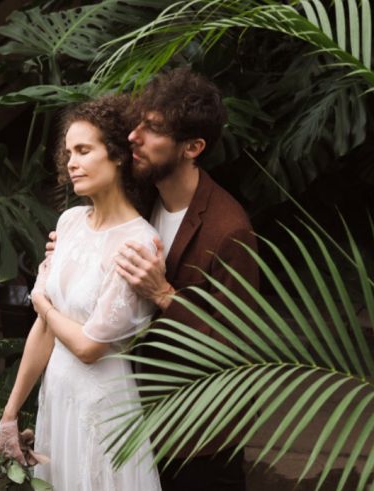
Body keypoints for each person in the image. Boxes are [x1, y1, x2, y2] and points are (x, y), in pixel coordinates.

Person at [45, 69, 260, 490]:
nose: (133, 136)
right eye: (138, 122)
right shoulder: (141, 199)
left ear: (192, 147)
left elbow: (238, 347)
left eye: (153, 129)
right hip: (134, 417)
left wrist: (164, 294)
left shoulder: (228, 229)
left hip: (198, 435)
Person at [0, 96, 162, 491]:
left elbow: (90, 348)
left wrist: (45, 308)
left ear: (117, 155)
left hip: (101, 410)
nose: (71, 162)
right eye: (68, 152)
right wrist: (11, 413)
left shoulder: (139, 243)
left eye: (84, 150)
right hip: (58, 399)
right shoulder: (69, 222)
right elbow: (44, 329)